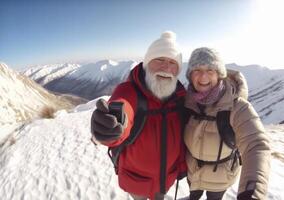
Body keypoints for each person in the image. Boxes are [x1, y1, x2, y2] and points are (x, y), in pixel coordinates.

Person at [90, 31, 187, 200]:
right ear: (146, 63)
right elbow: (122, 107)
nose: (166, 67)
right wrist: (111, 127)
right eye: (159, 60)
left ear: (178, 69)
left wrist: (182, 167)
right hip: (137, 182)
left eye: (172, 62)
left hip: (166, 178)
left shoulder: (180, 97)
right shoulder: (129, 90)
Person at [183, 47, 271, 200]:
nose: (203, 76)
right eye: (197, 70)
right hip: (193, 173)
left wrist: (252, 192)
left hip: (221, 178)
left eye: (210, 70)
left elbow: (256, 145)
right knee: (193, 197)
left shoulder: (237, 107)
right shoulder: (185, 102)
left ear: (219, 74)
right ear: (190, 75)